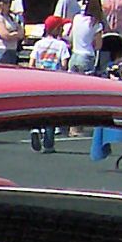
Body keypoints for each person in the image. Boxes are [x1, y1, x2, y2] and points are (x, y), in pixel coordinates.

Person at [29, 16, 71, 150]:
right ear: (57, 29)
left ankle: (35, 128)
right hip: (54, 81)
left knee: (37, 107)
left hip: (39, 79)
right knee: (52, 111)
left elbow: (32, 62)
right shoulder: (61, 45)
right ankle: (48, 143)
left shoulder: (39, 44)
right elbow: (64, 64)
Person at [70, 0, 104, 74]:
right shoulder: (96, 24)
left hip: (74, 55)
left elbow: (71, 36)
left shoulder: (76, 18)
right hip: (86, 57)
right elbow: (98, 46)